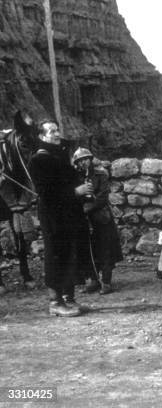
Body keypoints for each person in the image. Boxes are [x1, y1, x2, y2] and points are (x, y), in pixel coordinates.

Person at [29, 120, 93, 317]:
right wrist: (75, 191)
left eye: (57, 130)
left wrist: (81, 188)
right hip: (53, 217)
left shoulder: (59, 155)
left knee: (70, 253)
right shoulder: (39, 160)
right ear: (41, 136)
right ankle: (55, 302)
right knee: (56, 254)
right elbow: (46, 193)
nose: (57, 134)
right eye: (51, 131)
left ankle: (69, 299)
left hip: (68, 215)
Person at [72, 148, 123, 295]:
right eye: (80, 161)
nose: (84, 162)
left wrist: (87, 207)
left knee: (105, 248)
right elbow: (75, 196)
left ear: (91, 159)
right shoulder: (76, 178)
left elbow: (102, 197)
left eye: (86, 159)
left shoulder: (101, 175)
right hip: (84, 220)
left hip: (101, 218)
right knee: (88, 250)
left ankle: (106, 281)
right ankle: (93, 280)